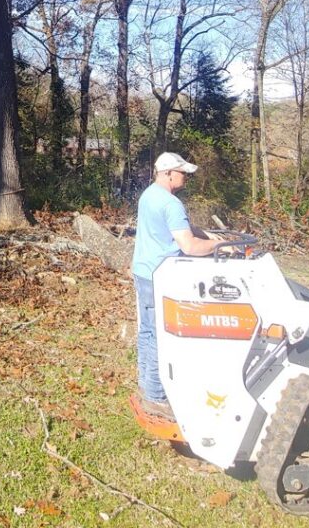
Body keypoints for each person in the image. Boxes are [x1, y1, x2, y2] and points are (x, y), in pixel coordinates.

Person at [131, 152, 224, 418]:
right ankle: (156, 397)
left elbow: (181, 229)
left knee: (148, 331)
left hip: (144, 271)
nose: (186, 177)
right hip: (162, 276)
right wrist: (219, 246)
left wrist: (206, 234)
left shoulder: (149, 195)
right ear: (169, 173)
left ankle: (146, 384)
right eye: (183, 172)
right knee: (161, 335)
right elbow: (190, 247)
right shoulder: (171, 203)